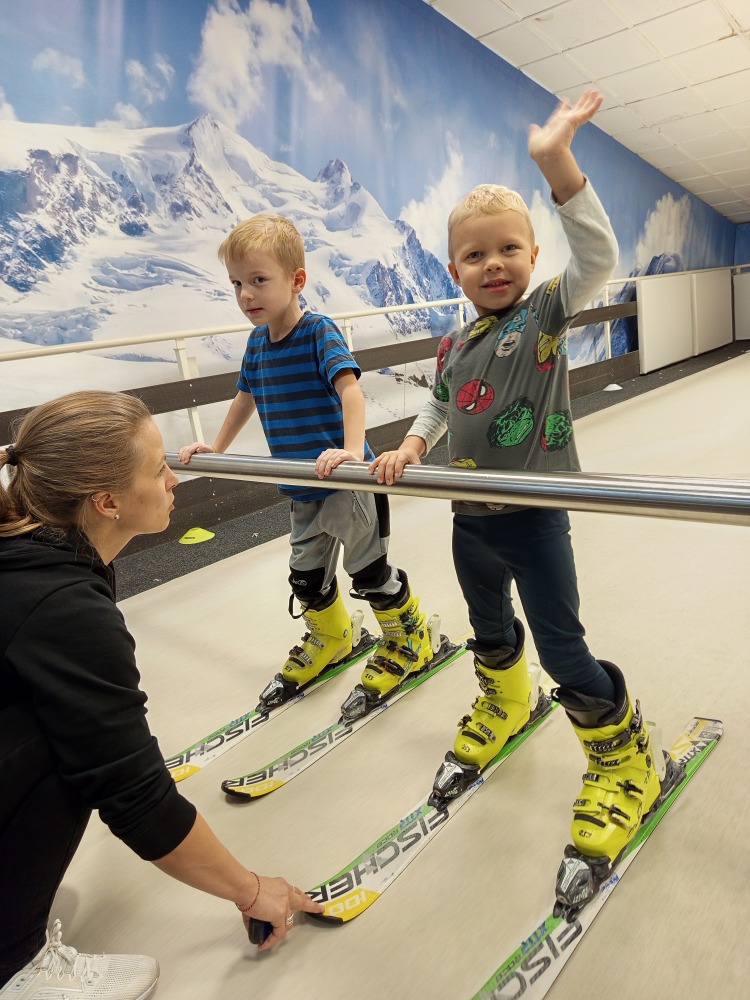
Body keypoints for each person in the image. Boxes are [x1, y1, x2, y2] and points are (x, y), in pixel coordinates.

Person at [370, 91, 674, 904]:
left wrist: (556, 162)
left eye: (509, 248)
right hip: (470, 521)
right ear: (454, 271)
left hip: (535, 522)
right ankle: (506, 703)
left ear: (534, 257)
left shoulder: (542, 315)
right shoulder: (453, 342)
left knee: (563, 651)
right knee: (488, 627)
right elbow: (438, 404)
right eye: (476, 255)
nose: (494, 263)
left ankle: (625, 760)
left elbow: (598, 256)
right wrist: (412, 445)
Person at [0, 390, 322, 1000]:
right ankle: (12, 966)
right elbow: (136, 797)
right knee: (69, 751)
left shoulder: (27, 552)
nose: (173, 479)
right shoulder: (61, 607)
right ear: (107, 501)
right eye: (157, 470)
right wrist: (253, 890)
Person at [179, 213, 437, 714]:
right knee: (305, 578)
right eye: (237, 284)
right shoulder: (257, 344)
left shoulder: (319, 332)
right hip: (300, 488)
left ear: (296, 280)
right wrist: (218, 448)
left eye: (259, 280)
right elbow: (244, 397)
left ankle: (409, 638)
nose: (246, 295)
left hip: (345, 483)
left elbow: (351, 391)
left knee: (369, 573)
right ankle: (333, 635)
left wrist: (351, 451)